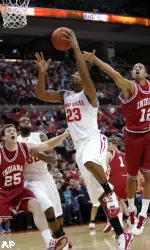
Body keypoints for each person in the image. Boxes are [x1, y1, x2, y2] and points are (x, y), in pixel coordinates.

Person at [35, 29, 133, 250]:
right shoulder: (65, 95)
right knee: (97, 195)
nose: (73, 75)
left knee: (94, 169)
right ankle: (121, 235)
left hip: (94, 139)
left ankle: (109, 192)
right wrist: (42, 72)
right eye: (72, 75)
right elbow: (41, 95)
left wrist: (76, 48)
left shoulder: (89, 95)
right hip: (79, 148)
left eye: (77, 75)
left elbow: (86, 75)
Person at [83, 50, 150, 236]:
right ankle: (132, 212)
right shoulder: (129, 86)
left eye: (140, 67)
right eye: (134, 68)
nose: (136, 69)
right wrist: (95, 59)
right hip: (133, 136)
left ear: (145, 72)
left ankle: (143, 215)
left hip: (148, 135)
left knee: (148, 177)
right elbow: (114, 74)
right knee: (131, 177)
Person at [0, 124, 69, 250]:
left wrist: (63, 135)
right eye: (9, 131)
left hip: (19, 190)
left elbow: (47, 145)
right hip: (3, 192)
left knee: (37, 206)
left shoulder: (24, 147)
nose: (12, 132)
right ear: (3, 137)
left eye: (14, 130)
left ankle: (49, 242)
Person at [17, 116, 72, 249]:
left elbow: (52, 159)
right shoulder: (16, 141)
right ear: (19, 125)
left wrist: (38, 155)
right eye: (23, 121)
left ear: (31, 124)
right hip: (31, 181)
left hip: (46, 178)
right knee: (48, 210)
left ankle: (61, 237)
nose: (26, 122)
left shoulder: (40, 136)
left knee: (58, 215)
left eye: (28, 121)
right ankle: (60, 242)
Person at [103, 137, 128, 233]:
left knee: (109, 200)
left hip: (115, 179)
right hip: (125, 178)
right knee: (118, 201)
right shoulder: (124, 154)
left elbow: (104, 166)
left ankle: (112, 222)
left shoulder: (109, 153)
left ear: (114, 145)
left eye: (109, 145)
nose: (107, 147)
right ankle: (120, 222)